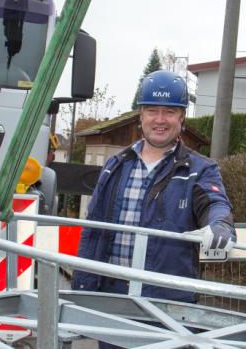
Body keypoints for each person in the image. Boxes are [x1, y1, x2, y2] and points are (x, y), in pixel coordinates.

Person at [72, 70, 236, 304]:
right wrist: (83, 290)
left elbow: (215, 204)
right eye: (152, 111)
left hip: (165, 302)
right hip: (108, 295)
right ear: (141, 115)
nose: (160, 120)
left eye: (169, 111)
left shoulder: (200, 170)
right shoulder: (116, 165)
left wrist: (220, 226)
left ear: (182, 117)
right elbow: (93, 230)